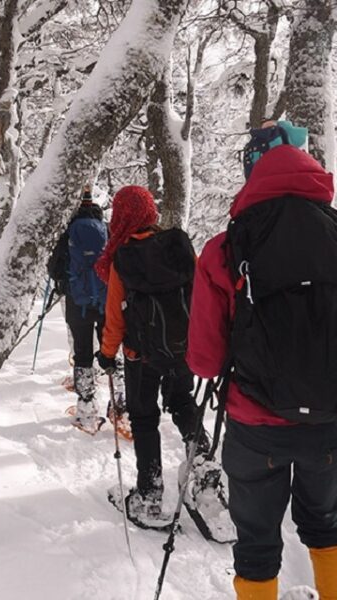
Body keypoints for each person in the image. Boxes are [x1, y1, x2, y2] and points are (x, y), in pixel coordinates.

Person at [186, 121, 337, 600]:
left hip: (255, 425)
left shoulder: (225, 249)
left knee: (256, 543)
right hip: (332, 421)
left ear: (251, 170)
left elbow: (204, 362)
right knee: (323, 525)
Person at [95, 185, 203, 529]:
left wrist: (107, 354)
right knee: (183, 402)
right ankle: (205, 475)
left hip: (140, 355)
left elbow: (115, 317)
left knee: (144, 418)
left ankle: (150, 493)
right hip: (184, 349)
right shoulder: (179, 246)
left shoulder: (123, 258)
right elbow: (202, 297)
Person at [47, 185, 123, 432]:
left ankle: (87, 409)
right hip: (105, 302)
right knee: (111, 350)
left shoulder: (67, 231)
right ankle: (120, 405)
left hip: (77, 304)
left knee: (82, 354)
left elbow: (55, 270)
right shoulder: (108, 230)